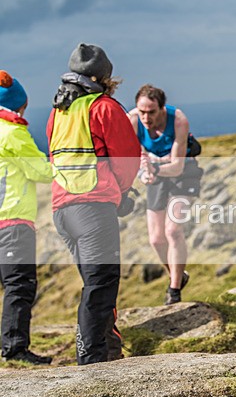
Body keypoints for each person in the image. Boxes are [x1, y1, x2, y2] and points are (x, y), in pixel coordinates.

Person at [48, 43, 140, 365]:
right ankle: (92, 359)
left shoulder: (58, 113)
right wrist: (122, 193)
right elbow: (127, 158)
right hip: (93, 208)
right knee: (101, 284)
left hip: (62, 210)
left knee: (94, 284)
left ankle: (108, 347)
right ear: (103, 77)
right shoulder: (103, 108)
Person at [0, 71, 54, 365]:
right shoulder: (12, 133)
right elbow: (41, 172)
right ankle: (14, 348)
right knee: (19, 285)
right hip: (13, 220)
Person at [129, 84, 200, 305]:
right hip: (155, 174)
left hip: (182, 174)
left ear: (162, 108)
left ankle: (174, 290)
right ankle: (178, 275)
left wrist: (154, 168)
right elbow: (133, 155)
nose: (146, 117)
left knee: (173, 230)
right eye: (142, 112)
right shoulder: (131, 121)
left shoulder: (178, 120)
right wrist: (143, 171)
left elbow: (177, 167)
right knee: (156, 239)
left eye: (151, 112)